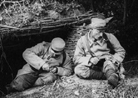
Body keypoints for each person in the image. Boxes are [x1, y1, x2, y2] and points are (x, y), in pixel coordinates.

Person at [6, 37, 73, 93]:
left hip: (46, 74)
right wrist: (42, 64)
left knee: (49, 78)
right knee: (19, 83)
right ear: (50, 46)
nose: (54, 55)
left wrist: (57, 70)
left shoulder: (65, 57)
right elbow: (26, 53)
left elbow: (69, 70)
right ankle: (8, 89)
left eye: (57, 54)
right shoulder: (43, 46)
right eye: (53, 51)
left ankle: (31, 86)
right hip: (31, 70)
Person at [73, 17, 126, 88]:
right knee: (78, 70)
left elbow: (121, 51)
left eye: (103, 31)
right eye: (98, 31)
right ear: (91, 29)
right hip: (93, 66)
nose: (101, 34)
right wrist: (90, 60)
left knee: (109, 64)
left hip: (108, 64)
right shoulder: (82, 41)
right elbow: (76, 58)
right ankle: (111, 76)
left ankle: (111, 74)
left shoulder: (110, 37)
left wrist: (113, 59)